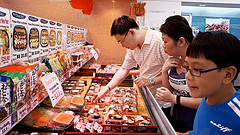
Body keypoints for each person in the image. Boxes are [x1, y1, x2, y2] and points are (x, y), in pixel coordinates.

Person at [92, 15, 168, 103]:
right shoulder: (133, 47)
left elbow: (173, 74)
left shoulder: (160, 42)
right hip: (147, 96)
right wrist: (104, 91)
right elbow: (124, 70)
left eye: (121, 41)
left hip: (162, 102)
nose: (123, 46)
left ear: (132, 32)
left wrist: (151, 81)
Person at [178, 31, 240, 135]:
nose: (188, 76)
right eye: (187, 68)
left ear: (227, 75)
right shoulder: (207, 97)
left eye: (197, 69)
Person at [155, 15, 202, 133]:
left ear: (181, 41)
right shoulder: (175, 60)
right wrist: (164, 71)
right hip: (176, 118)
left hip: (194, 123)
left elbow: (206, 101)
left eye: (165, 41)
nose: (163, 45)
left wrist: (174, 99)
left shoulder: (200, 65)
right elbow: (171, 90)